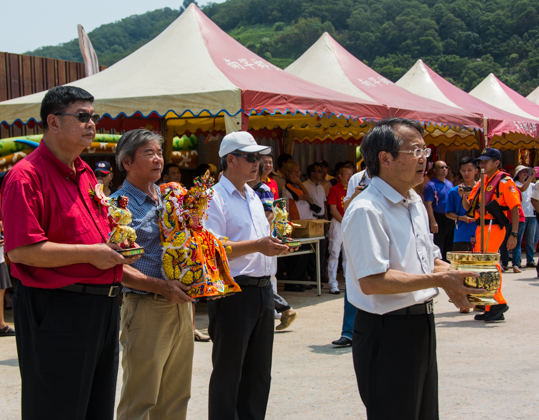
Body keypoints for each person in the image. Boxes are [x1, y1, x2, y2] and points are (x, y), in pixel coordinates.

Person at [0, 86, 140, 420]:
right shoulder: (25, 176)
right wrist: (91, 253)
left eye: (93, 116)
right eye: (81, 116)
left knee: (96, 407)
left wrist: (116, 247)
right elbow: (21, 250)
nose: (91, 124)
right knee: (57, 408)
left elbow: (98, 231)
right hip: (58, 307)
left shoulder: (85, 172)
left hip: (102, 305)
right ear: (53, 122)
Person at [342, 118, 482, 420]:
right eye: (415, 150)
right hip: (387, 330)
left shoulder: (414, 200)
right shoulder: (368, 209)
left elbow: (428, 257)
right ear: (385, 158)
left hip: (419, 324)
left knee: (423, 412)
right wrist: (441, 279)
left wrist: (466, 274)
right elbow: (373, 281)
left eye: (425, 150)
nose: (424, 159)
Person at [205, 131, 294, 420]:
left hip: (262, 291)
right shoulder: (213, 198)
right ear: (231, 160)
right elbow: (212, 248)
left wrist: (273, 246)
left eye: (259, 157)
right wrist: (258, 245)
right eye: (251, 157)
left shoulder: (253, 196)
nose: (258, 163)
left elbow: (260, 241)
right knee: (229, 374)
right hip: (233, 292)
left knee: (258, 374)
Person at [112, 129, 195, 420]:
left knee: (175, 397)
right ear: (127, 162)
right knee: (140, 399)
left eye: (159, 153)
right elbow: (115, 265)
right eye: (149, 153)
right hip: (145, 306)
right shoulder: (118, 206)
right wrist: (160, 287)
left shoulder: (169, 197)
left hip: (181, 305)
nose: (158, 159)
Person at [461, 148, 519, 322]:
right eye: (481, 161)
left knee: (490, 264)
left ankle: (497, 303)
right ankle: (490, 305)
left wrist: (514, 233)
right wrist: (464, 196)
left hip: (493, 226)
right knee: (483, 265)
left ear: (496, 162)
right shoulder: (482, 181)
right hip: (481, 227)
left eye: (486, 161)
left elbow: (515, 207)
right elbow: (468, 207)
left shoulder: (504, 181)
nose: (482, 163)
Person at [248, 162, 298, 331]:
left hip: (261, 239)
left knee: (261, 279)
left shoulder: (262, 189)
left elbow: (269, 215)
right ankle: (284, 309)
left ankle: (284, 308)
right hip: (255, 241)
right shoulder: (246, 190)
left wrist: (258, 236)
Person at [331, 168, 371, 347]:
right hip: (359, 235)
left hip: (384, 237)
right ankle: (348, 332)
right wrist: (356, 195)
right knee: (353, 283)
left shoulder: (390, 173)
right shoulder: (358, 178)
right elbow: (346, 208)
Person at [327, 165, 353, 294]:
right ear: (340, 176)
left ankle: (348, 282)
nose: (349, 177)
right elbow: (333, 209)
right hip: (338, 223)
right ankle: (333, 282)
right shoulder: (334, 189)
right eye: (347, 174)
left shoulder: (353, 190)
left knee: (348, 255)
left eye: (351, 174)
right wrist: (344, 222)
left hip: (349, 224)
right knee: (334, 254)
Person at [445, 156, 478, 252]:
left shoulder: (481, 190)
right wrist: (461, 218)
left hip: (480, 235)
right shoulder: (454, 192)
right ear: (460, 171)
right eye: (463, 170)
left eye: (469, 170)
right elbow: (448, 213)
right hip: (461, 236)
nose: (466, 173)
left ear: (476, 171)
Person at [424, 160, 454, 260]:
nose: (444, 170)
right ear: (435, 170)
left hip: (450, 217)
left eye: (446, 167)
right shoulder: (431, 185)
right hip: (438, 217)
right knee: (439, 244)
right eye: (441, 167)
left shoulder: (450, 184)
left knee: (449, 245)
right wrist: (433, 221)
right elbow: (428, 204)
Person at [513, 165, 538, 268]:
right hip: (520, 215)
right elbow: (523, 189)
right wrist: (531, 177)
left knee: (530, 240)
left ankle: (530, 260)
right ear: (517, 174)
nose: (525, 173)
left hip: (531, 214)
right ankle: (517, 262)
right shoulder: (515, 184)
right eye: (522, 171)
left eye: (526, 171)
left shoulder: (532, 185)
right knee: (518, 240)